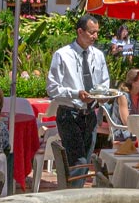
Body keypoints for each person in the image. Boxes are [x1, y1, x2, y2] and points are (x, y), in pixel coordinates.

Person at [47, 15, 110, 185]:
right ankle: (72, 197)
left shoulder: (98, 55)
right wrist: (76, 94)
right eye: (92, 33)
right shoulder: (62, 55)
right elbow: (52, 88)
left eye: (97, 32)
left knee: (85, 161)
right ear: (80, 31)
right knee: (78, 161)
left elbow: (104, 83)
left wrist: (102, 97)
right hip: (69, 114)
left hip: (90, 115)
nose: (95, 36)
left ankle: (72, 193)